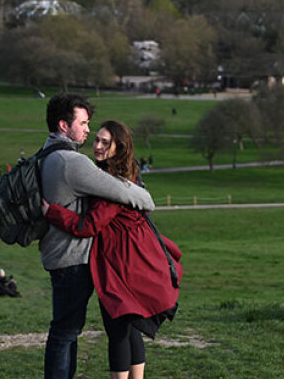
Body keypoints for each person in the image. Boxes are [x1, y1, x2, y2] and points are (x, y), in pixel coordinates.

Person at [43, 119, 181, 379]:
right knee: (129, 325)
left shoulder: (111, 184)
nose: (96, 145)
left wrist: (52, 212)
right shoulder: (126, 171)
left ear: (119, 147)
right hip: (134, 255)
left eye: (105, 142)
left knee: (117, 326)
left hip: (120, 262)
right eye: (96, 139)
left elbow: (89, 226)